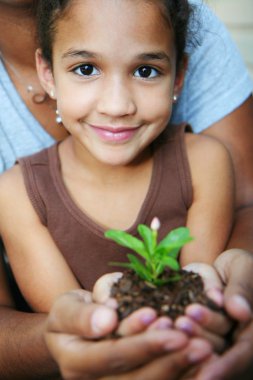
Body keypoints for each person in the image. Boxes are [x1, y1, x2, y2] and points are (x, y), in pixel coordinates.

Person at [0, 0, 252, 379]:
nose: (117, 105)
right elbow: (72, 320)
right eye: (85, 69)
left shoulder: (206, 164)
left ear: (179, 76)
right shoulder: (16, 196)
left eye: (146, 70)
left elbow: (197, 290)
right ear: (47, 72)